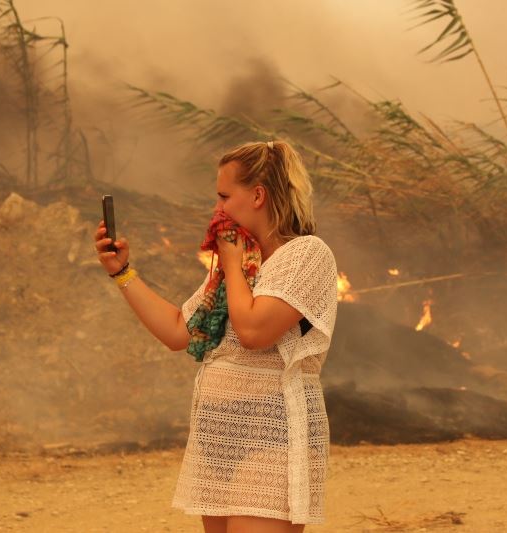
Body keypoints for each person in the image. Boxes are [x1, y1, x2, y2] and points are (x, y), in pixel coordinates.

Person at [93, 140, 339, 533]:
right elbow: (178, 330)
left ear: (258, 195)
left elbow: (254, 330)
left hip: (272, 437)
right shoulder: (243, 266)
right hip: (217, 439)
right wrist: (122, 273)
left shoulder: (306, 255)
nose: (217, 209)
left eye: (224, 196)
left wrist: (229, 261)